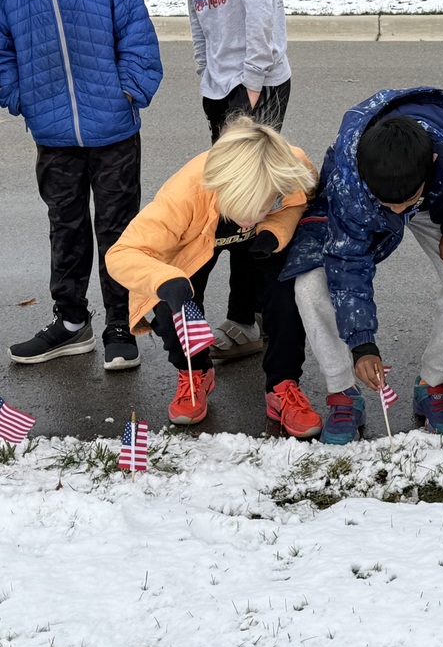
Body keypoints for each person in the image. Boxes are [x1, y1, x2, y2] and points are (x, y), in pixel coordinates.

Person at [281, 87, 443, 445]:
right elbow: (348, 262)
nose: (395, 213)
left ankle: (433, 384)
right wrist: (363, 345)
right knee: (311, 285)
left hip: (436, 201)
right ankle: (342, 393)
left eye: (403, 203)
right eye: (388, 204)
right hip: (361, 204)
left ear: (434, 162)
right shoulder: (350, 177)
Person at [0, 0, 162, 371]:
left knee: (117, 228)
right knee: (65, 226)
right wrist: (19, 96)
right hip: (52, 132)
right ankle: (71, 323)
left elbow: (135, 28)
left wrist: (129, 89)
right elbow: (1, 48)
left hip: (113, 128)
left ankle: (120, 323)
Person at [106, 117, 323, 438]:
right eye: (252, 206)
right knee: (170, 305)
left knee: (287, 292)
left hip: (264, 240)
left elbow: (297, 202)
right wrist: (163, 279)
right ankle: (195, 372)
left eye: (269, 201)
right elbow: (121, 253)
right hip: (193, 242)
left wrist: (274, 229)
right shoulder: (185, 195)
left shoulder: (291, 167)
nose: (259, 212)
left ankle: (283, 385)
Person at [168, 0, 293, 362]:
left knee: (246, 205)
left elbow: (263, 8)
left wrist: (253, 82)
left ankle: (246, 318)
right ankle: (244, 317)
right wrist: (206, 72)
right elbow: (196, 8)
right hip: (219, 86)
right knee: (226, 201)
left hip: (254, 84)